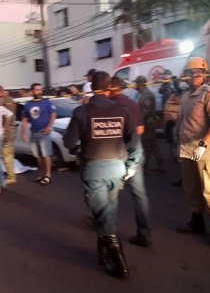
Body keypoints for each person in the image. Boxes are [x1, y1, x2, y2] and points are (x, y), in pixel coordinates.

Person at [63, 71, 142, 279]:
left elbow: (68, 142)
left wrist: (77, 148)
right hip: (118, 170)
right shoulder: (123, 111)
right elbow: (135, 144)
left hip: (94, 171)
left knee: (104, 214)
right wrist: (131, 167)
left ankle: (119, 264)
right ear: (109, 88)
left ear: (91, 87)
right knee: (108, 211)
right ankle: (103, 252)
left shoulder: (82, 112)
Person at [176, 56, 210, 248]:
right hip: (187, 149)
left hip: (206, 152)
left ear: (204, 74)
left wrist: (203, 144)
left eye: (198, 72)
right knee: (191, 189)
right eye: (191, 72)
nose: (195, 75)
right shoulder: (186, 96)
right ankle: (197, 223)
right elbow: (184, 122)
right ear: (187, 75)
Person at [110, 76, 151, 247]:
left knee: (110, 195)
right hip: (134, 154)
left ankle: (108, 232)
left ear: (111, 88)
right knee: (139, 195)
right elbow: (140, 129)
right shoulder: (132, 104)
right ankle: (144, 233)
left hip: (115, 155)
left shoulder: (110, 106)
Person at [21, 83, 57, 186]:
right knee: (38, 156)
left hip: (44, 133)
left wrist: (49, 127)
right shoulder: (28, 104)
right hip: (34, 133)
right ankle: (42, 174)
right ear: (32, 91)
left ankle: (48, 175)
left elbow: (53, 114)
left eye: (40, 89)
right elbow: (24, 119)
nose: (39, 91)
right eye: (37, 90)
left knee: (46, 155)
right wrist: (23, 134)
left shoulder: (47, 102)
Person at [136, 75, 165, 173]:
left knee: (147, 145)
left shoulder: (146, 95)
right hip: (149, 122)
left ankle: (145, 167)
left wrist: (141, 124)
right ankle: (160, 163)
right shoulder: (145, 94)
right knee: (152, 144)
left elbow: (146, 111)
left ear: (140, 84)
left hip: (148, 123)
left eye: (136, 85)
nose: (135, 87)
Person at [0, 85, 17, 185]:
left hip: (7, 130)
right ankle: (10, 173)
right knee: (8, 153)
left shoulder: (2, 101)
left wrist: (4, 130)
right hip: (11, 128)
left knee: (6, 153)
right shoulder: (10, 99)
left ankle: (11, 176)